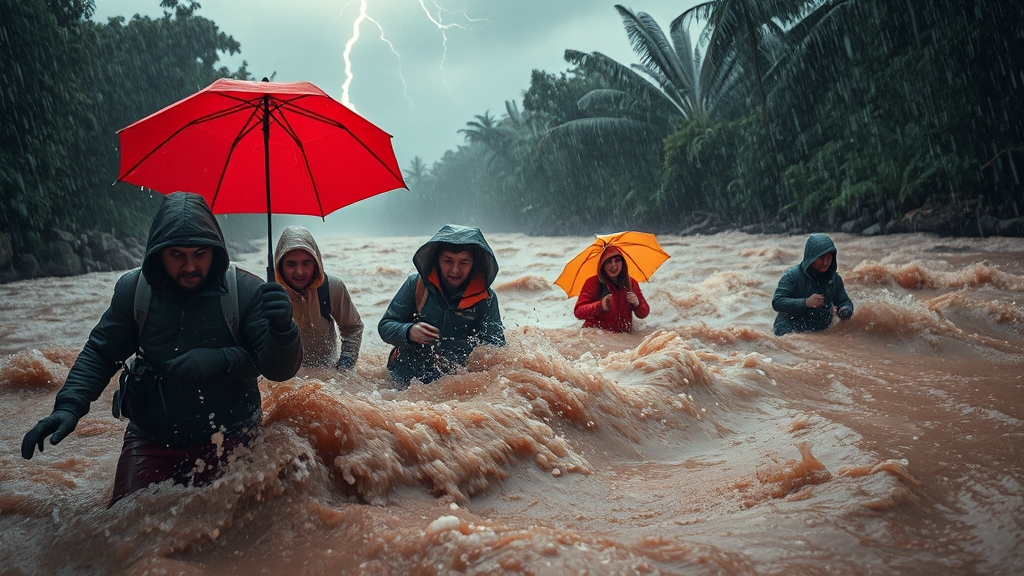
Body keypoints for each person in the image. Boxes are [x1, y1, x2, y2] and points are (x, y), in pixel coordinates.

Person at [20, 192, 302, 506]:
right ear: (158, 253)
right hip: (152, 438)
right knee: (125, 522)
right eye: (176, 255)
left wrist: (282, 328)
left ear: (215, 250)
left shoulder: (246, 291)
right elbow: (101, 353)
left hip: (233, 433)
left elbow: (278, 369)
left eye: (200, 253)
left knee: (237, 526)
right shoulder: (135, 291)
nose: (190, 266)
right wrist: (68, 407)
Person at [378, 224, 505, 386]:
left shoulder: (486, 298)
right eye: (448, 261)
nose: (455, 270)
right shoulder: (416, 284)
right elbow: (385, 326)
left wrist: (466, 349)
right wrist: (409, 331)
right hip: (405, 379)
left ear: (474, 263)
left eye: (464, 262)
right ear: (437, 260)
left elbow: (496, 345)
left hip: (456, 382)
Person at [275, 225, 363, 370]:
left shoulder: (331, 287)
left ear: (316, 263)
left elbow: (353, 328)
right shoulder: (269, 295)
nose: (299, 271)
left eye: (306, 263)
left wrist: (345, 365)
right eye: (291, 264)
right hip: (284, 374)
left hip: (327, 373)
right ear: (279, 265)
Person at [772, 233, 855, 336]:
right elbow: (777, 302)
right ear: (811, 257)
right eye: (821, 258)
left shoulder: (834, 279)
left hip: (821, 332)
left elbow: (844, 301)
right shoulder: (792, 276)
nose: (825, 263)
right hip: (789, 332)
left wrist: (845, 309)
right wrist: (805, 302)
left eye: (829, 258)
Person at [573, 246, 651, 333]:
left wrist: (637, 304)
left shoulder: (631, 283)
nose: (613, 265)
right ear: (602, 265)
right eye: (608, 261)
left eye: (617, 260)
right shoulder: (593, 282)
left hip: (623, 336)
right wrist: (600, 305)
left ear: (623, 263)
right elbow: (578, 311)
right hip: (597, 335)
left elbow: (644, 313)